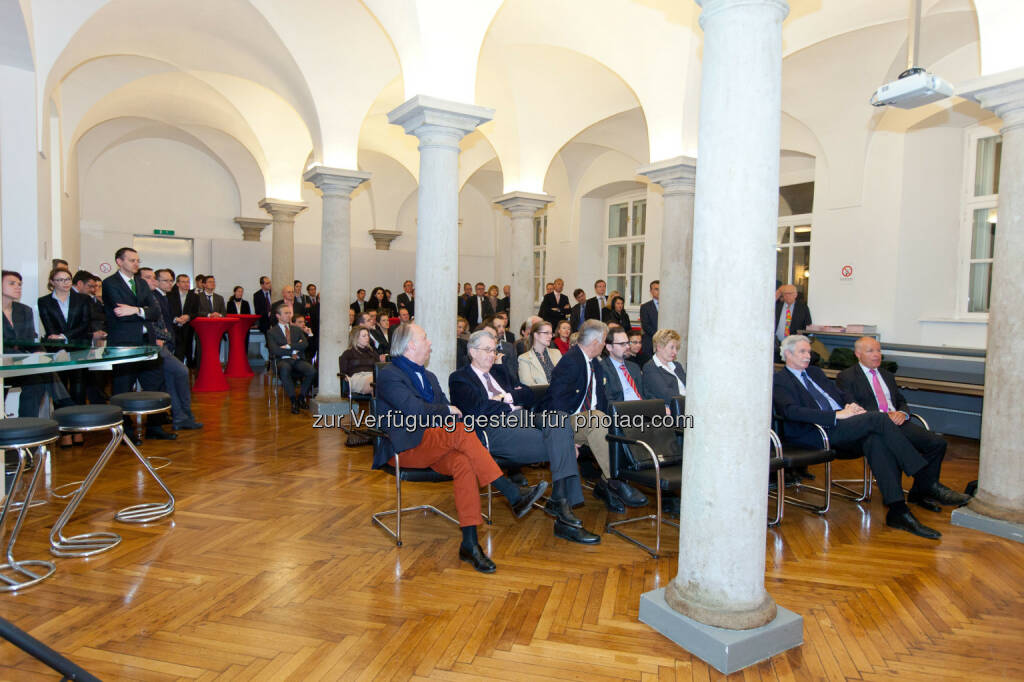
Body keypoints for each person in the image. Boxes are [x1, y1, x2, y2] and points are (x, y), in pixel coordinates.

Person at [375, 323, 548, 573]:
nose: (430, 343)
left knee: (463, 462)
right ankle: (511, 493)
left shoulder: (429, 376)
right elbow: (415, 411)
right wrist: (446, 411)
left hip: (435, 442)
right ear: (411, 345)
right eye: (425, 338)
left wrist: (447, 413)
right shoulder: (390, 375)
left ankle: (470, 543)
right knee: (459, 429)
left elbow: (448, 413)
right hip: (405, 446)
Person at [773, 335, 970, 539]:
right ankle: (923, 477)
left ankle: (898, 511)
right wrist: (835, 415)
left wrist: (851, 406)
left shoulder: (814, 372)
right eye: (802, 352)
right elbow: (790, 411)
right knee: (878, 419)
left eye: (809, 352)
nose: (808, 356)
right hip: (816, 433)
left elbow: (839, 395)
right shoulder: (780, 380)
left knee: (876, 441)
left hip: (843, 424)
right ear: (787, 354)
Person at [450, 330, 601, 544]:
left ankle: (560, 501)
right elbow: (478, 409)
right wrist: (509, 404)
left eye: (494, 350)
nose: (492, 355)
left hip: (525, 417)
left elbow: (529, 394)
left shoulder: (501, 373)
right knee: (563, 441)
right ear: (472, 352)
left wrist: (508, 396)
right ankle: (563, 511)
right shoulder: (459, 378)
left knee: (558, 418)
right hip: (495, 429)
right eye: (487, 350)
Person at [836, 337, 961, 513]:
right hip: (873, 425)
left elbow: (901, 400)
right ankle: (925, 488)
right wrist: (884, 416)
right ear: (857, 354)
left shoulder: (887, 375)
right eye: (870, 351)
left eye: (878, 351)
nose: (876, 355)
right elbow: (852, 406)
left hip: (898, 422)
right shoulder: (846, 377)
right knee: (888, 445)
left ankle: (920, 491)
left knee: (937, 443)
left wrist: (902, 413)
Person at [537, 320, 647, 512]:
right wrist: (565, 438)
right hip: (566, 421)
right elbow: (555, 402)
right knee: (595, 418)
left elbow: (601, 400)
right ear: (596, 342)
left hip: (590, 421)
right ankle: (615, 480)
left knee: (613, 423)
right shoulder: (571, 361)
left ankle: (608, 484)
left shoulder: (594, 362)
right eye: (604, 341)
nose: (605, 345)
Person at [101, 248, 176, 441]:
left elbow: (154, 312)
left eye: (138, 260)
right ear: (119, 261)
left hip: (146, 342)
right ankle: (124, 433)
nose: (136, 263)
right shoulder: (110, 283)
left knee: (154, 384)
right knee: (123, 388)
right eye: (132, 260)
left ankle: (155, 427)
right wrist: (142, 310)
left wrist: (135, 310)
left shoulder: (141, 283)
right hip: (123, 343)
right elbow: (119, 312)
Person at [2, 270, 75, 422]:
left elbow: (31, 340)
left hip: (21, 366)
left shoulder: (24, 310)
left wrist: (41, 355)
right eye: (12, 283)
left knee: (38, 380)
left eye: (20, 284)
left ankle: (27, 430)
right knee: (43, 374)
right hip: (5, 364)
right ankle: (66, 404)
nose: (18, 287)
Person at [144, 268, 202, 430]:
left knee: (171, 382)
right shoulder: (153, 297)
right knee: (182, 371)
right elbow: (154, 324)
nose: (169, 283)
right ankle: (183, 416)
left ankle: (181, 417)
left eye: (171, 280)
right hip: (159, 345)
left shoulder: (162, 297)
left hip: (167, 343)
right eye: (166, 280)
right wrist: (165, 336)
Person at [38, 267, 93, 412]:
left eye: (68, 279)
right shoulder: (44, 301)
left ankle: (79, 429)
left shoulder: (83, 299)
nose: (65, 283)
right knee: (60, 390)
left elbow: (86, 324)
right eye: (60, 280)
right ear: (52, 282)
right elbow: (49, 327)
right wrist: (59, 339)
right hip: (57, 350)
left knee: (79, 388)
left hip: (79, 349)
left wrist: (64, 336)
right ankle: (65, 430)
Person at [267, 302, 315, 414]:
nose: (289, 315)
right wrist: (296, 346)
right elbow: (275, 350)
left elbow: (305, 344)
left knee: (311, 371)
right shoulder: (272, 332)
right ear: (278, 316)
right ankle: (293, 400)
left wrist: (289, 346)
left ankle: (301, 397)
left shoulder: (296, 329)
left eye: (289, 313)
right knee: (284, 368)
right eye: (286, 313)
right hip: (281, 360)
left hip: (297, 359)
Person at [600, 327, 645, 403]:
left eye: (627, 343)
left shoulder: (634, 367)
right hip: (622, 410)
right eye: (622, 344)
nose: (628, 347)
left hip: (643, 408)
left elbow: (644, 393)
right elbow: (607, 400)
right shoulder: (602, 368)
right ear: (609, 347)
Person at [642, 328, 687, 403]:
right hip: (674, 408)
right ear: (659, 347)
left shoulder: (677, 365)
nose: (675, 352)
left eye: (676, 348)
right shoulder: (650, 367)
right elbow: (666, 395)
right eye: (672, 347)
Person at [518, 320, 562, 386]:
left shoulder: (557, 353)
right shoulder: (524, 358)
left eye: (551, 333)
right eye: (546, 333)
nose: (550, 336)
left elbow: (566, 377)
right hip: (541, 395)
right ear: (536, 335)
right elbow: (529, 386)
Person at [339, 325, 377, 395]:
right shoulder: (348, 353)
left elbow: (378, 367)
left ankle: (376, 405)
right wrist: (345, 377)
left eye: (368, 335)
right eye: (364, 336)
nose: (367, 338)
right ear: (356, 338)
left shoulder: (372, 352)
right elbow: (343, 371)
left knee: (379, 381)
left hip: (371, 376)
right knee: (376, 381)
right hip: (357, 378)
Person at [639, 280, 659, 359]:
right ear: (651, 291)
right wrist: (658, 336)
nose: (659, 291)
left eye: (661, 289)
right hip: (650, 341)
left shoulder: (667, 306)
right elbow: (645, 325)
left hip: (665, 342)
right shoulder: (645, 307)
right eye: (656, 289)